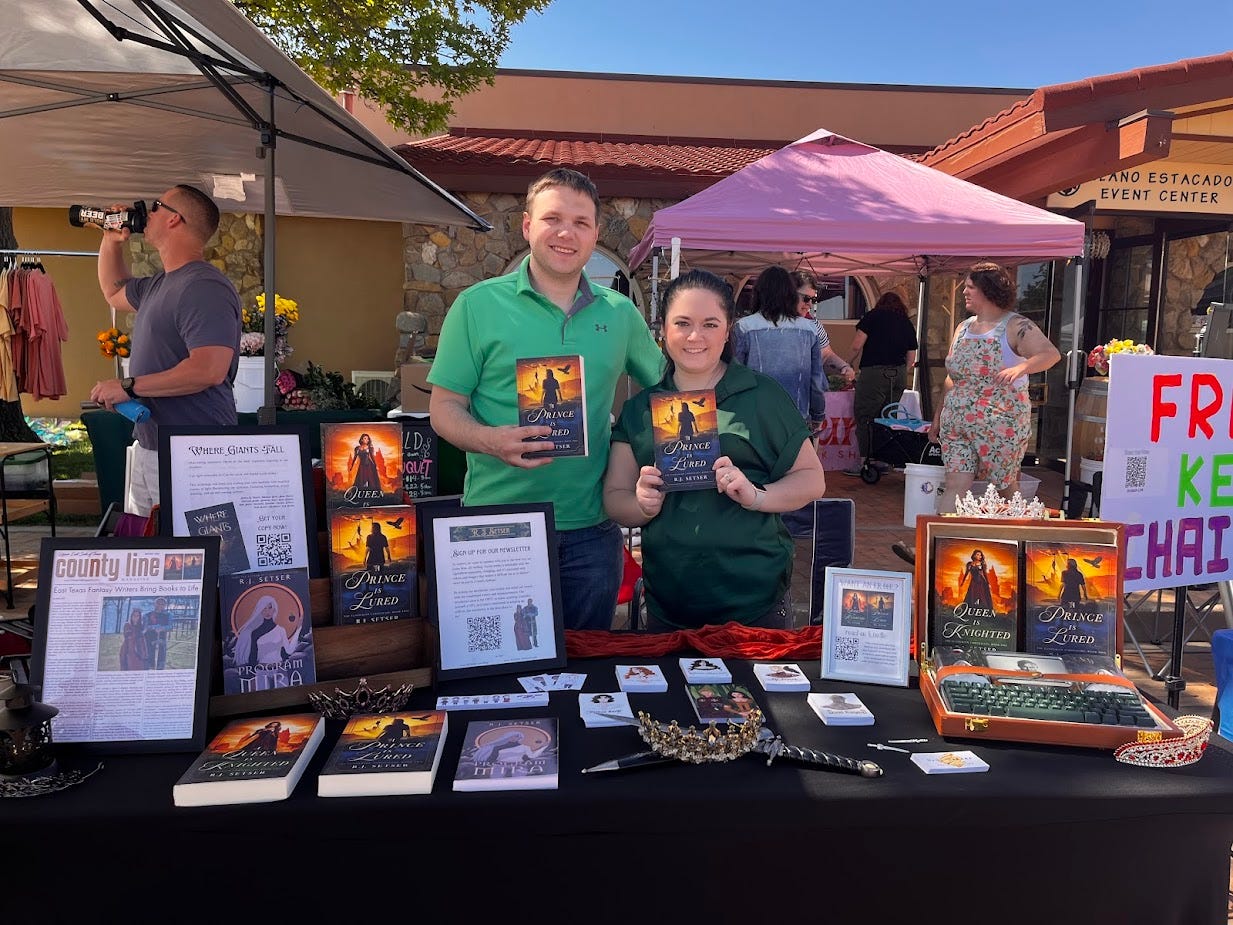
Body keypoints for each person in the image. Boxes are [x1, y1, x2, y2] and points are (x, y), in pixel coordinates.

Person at [428, 168, 665, 631]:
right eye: (552, 218)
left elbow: (666, 391)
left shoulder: (620, 313)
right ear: (527, 225)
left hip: (591, 531)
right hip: (497, 527)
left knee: (586, 665)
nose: (566, 233)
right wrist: (490, 440)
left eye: (580, 222)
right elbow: (443, 407)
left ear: (595, 234)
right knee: (500, 662)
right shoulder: (476, 306)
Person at [604, 269, 827, 630]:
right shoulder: (639, 410)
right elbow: (615, 497)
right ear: (662, 330)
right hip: (669, 604)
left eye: (710, 324)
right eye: (682, 323)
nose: (695, 336)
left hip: (756, 602)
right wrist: (641, 504)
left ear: (727, 331)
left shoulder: (762, 396)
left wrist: (756, 495)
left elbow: (812, 479)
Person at [89, 185, 242, 517]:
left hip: (194, 452)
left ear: (175, 219)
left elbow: (208, 370)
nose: (147, 212)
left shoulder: (203, 286)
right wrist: (111, 241)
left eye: (156, 206)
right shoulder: (162, 283)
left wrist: (128, 386)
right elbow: (114, 292)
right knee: (153, 544)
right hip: (153, 445)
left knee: (194, 546)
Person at [928, 261, 1061, 515]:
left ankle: (1015, 534)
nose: (964, 292)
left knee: (1005, 486)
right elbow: (952, 378)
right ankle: (942, 538)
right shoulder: (963, 328)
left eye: (970, 287)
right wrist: (937, 417)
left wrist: (1021, 368)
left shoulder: (1015, 326)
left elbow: (1050, 354)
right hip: (957, 423)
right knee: (955, 484)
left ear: (988, 290)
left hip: (1000, 424)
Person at [732, 266, 828, 437]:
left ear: (759, 293)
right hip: (797, 417)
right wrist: (818, 414)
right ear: (791, 294)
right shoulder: (809, 329)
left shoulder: (744, 327)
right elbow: (816, 380)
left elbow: (735, 377)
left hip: (756, 418)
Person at [843, 291, 919, 477]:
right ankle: (884, 460)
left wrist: (846, 364)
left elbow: (857, 345)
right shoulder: (906, 322)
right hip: (898, 374)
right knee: (888, 417)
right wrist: (901, 370)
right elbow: (911, 356)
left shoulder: (873, 317)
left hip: (874, 373)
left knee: (866, 417)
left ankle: (865, 462)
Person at [791, 271, 856, 385]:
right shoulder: (770, 324)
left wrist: (844, 366)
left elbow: (826, 354)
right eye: (806, 298)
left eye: (813, 299)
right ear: (789, 294)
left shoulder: (814, 324)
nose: (810, 304)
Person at [145, 597, 172, 670]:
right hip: (149, 639)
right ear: (155, 604)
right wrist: (154, 627)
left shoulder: (168, 615)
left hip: (161, 639)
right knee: (149, 657)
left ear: (165, 605)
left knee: (161, 657)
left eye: (162, 604)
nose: (160, 605)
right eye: (158, 603)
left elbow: (170, 627)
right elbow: (145, 627)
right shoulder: (148, 615)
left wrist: (162, 628)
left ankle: (159, 670)